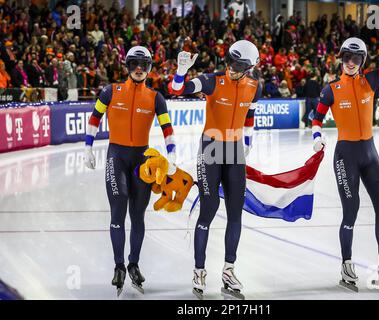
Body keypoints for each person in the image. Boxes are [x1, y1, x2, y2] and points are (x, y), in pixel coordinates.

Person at [312, 13, 379, 292]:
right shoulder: (331, 89)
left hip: (369, 153)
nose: (350, 62)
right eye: (347, 57)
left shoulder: (370, 80)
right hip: (346, 155)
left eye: (356, 59)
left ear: (362, 62)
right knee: (351, 211)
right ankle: (346, 264)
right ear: (341, 58)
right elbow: (316, 117)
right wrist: (317, 136)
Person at [169, 40, 262, 299]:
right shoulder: (211, 80)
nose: (232, 68)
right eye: (231, 62)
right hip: (210, 148)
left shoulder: (255, 86)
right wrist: (180, 71)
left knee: (235, 214)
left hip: (234, 152)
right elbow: (177, 90)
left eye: (239, 66)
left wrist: (248, 140)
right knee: (208, 211)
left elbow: (250, 114)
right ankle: (199, 270)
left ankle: (229, 270)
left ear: (250, 68)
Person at [83, 46, 176, 296]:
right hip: (117, 157)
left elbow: (167, 128)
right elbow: (94, 119)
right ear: (127, 66)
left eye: (143, 65)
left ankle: (133, 263)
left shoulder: (156, 97)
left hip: (141, 162)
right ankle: (118, 266)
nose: (138, 69)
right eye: (134, 63)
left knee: (137, 215)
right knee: (118, 208)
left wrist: (173, 153)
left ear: (148, 69)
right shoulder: (110, 91)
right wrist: (88, 147)